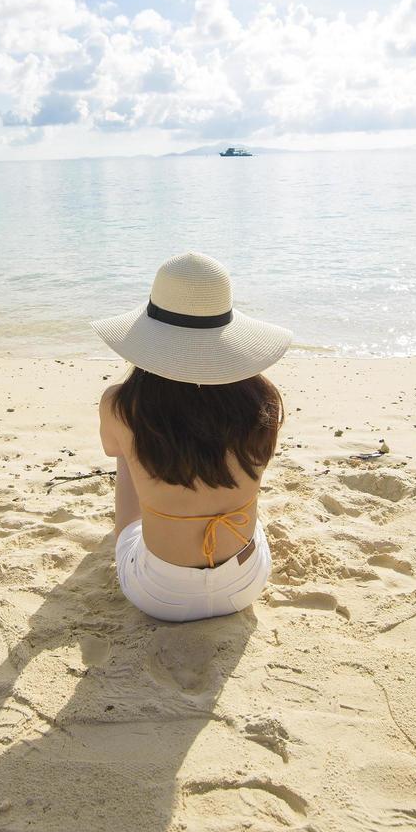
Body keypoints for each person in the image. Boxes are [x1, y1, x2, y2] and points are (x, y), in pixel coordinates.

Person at [90, 251, 292, 622]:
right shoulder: (262, 401)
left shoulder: (121, 405)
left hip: (158, 594)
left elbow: (111, 448)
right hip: (245, 585)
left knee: (127, 451)